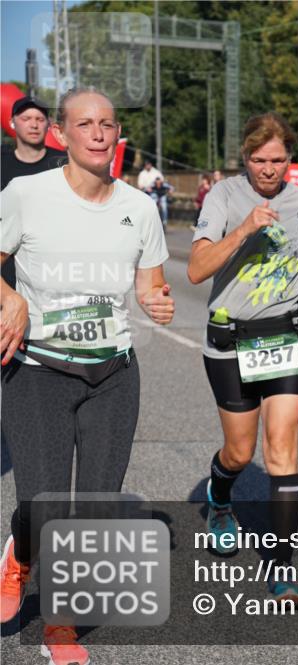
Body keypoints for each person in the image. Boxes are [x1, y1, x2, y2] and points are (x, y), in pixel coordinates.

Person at [0, 86, 173, 665]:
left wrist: (157, 302)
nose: (98, 133)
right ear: (62, 134)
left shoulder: (140, 206)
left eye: (107, 124)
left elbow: (149, 284)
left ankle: (59, 628)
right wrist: (10, 299)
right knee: (40, 505)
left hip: (114, 374)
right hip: (38, 371)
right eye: (85, 124)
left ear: (117, 134)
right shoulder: (27, 194)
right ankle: (20, 553)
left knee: (97, 507)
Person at [187, 112, 298, 603]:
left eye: (277, 160)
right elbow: (195, 270)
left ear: (289, 159)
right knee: (239, 453)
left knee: (282, 450)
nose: (268, 170)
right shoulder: (225, 197)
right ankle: (220, 498)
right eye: (259, 160)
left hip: (289, 333)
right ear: (245, 158)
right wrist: (243, 230)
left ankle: (281, 568)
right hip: (232, 338)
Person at [1, 96, 67, 289]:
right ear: (12, 123)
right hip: (8, 277)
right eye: (26, 119)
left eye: (40, 119)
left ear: (48, 125)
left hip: (56, 274)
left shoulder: (65, 163)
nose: (34, 125)